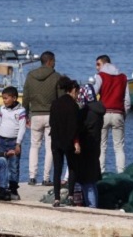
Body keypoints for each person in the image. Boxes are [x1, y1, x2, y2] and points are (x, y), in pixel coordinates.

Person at [22, 50, 60, 186]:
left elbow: (25, 97)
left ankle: (32, 177)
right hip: (51, 116)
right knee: (50, 147)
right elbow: (60, 99)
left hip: (35, 115)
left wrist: (26, 114)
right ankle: (46, 178)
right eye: (54, 61)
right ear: (49, 61)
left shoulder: (30, 76)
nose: (55, 63)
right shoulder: (56, 77)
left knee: (34, 146)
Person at [93, 55, 130, 173]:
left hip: (103, 114)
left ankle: (101, 172)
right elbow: (127, 101)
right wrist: (124, 115)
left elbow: (93, 93)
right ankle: (121, 173)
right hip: (118, 113)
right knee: (119, 147)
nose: (96, 67)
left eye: (98, 64)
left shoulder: (100, 76)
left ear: (104, 64)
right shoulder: (123, 77)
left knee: (101, 146)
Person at [49, 76, 81, 207]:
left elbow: (51, 122)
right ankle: (71, 196)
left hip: (56, 139)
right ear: (73, 90)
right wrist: (76, 142)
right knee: (72, 167)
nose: (77, 96)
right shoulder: (73, 106)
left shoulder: (55, 103)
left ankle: (56, 198)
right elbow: (75, 126)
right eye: (77, 93)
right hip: (69, 140)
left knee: (57, 169)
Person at [0, 86, 26, 201]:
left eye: (6, 98)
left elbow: (22, 128)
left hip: (13, 142)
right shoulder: (2, 109)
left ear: (14, 98)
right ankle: (2, 188)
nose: (4, 101)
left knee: (14, 167)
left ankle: (13, 189)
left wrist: (18, 143)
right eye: (3, 98)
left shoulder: (21, 111)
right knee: (1, 164)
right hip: (1, 141)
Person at [76, 83, 105, 208]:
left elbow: (81, 128)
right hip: (95, 147)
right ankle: (94, 206)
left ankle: (92, 207)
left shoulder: (87, 112)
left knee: (86, 181)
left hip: (86, 148)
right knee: (92, 181)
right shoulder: (99, 111)